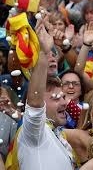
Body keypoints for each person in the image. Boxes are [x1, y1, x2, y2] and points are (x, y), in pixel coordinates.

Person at [5, 18, 78, 170]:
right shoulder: (35, 131)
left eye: (63, 97)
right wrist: (44, 52)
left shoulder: (58, 134)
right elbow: (35, 104)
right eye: (56, 98)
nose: (65, 103)